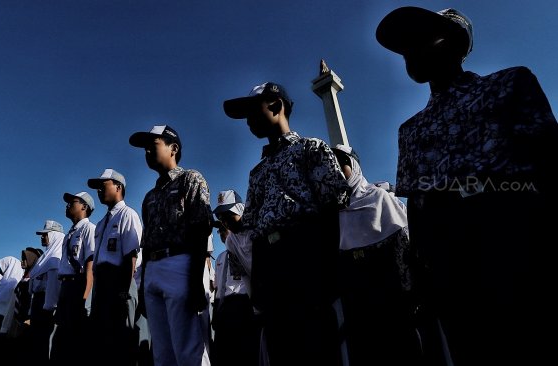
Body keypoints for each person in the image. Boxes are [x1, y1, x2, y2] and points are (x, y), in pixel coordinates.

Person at [376, 7, 558, 365]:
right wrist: (424, 280)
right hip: (450, 266)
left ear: (457, 43)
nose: (411, 51)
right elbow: (419, 208)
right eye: (406, 46)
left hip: (516, 238)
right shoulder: (410, 130)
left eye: (422, 38)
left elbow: (549, 162)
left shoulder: (508, 85)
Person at [223, 82, 349, 366]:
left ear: (277, 106)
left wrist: (329, 270)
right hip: (271, 265)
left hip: (305, 257)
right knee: (282, 346)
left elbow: (332, 208)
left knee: (315, 343)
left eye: (253, 112)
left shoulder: (311, 149)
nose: (248, 122)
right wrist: (259, 279)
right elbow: (254, 229)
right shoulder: (258, 172)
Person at [129, 124, 214, 366]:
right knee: (162, 353)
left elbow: (201, 229)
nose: (146, 151)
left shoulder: (191, 179)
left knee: (189, 348)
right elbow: (145, 245)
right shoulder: (149, 197)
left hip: (181, 264)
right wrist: (144, 283)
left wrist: (197, 279)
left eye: (152, 145)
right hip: (153, 268)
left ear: (173, 148)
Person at [331, 144, 422, 366]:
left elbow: (403, 246)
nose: (335, 172)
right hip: (357, 303)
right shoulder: (330, 215)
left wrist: (410, 292)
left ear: (353, 164)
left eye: (340, 164)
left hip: (392, 295)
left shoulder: (380, 198)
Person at [87, 169, 142, 365]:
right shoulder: (102, 223)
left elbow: (131, 257)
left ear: (118, 187)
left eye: (104, 186)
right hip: (101, 283)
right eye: (98, 188)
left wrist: (124, 292)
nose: (99, 190)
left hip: (120, 281)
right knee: (102, 340)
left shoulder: (128, 214)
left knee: (121, 338)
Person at [211, 190, 259, 366]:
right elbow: (244, 274)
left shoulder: (257, 228)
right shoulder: (231, 242)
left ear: (240, 209)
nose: (226, 222)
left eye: (229, 215)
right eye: (222, 217)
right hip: (253, 298)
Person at [51, 191, 97, 363]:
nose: (68, 205)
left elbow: (90, 265)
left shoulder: (89, 229)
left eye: (73, 202)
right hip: (66, 287)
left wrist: (85, 297)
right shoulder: (69, 234)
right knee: (63, 334)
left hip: (78, 285)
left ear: (84, 207)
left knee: (76, 334)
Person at [29, 220, 64, 362]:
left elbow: (53, 286)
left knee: (46, 344)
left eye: (45, 235)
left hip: (48, 306)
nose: (42, 238)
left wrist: (50, 307)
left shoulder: (56, 256)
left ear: (55, 235)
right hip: (39, 304)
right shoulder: (45, 257)